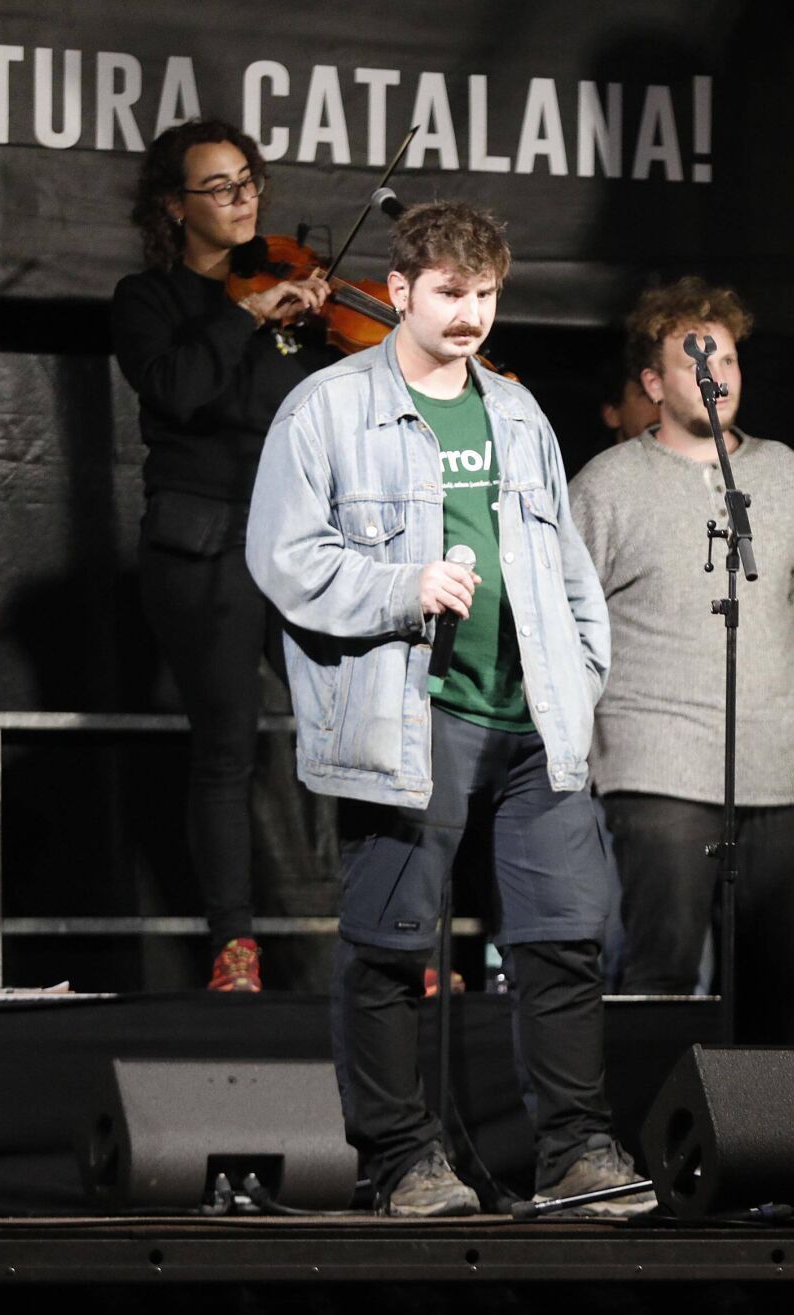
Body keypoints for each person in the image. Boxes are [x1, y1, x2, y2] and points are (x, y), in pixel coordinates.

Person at [246, 201, 641, 1218]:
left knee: (559, 941)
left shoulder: (514, 411)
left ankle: (575, 1153)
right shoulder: (329, 408)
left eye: (486, 295)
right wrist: (398, 585)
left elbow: (565, 570)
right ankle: (400, 1160)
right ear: (404, 289)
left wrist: (580, 677)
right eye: (451, 294)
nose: (469, 315)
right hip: (410, 720)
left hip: (531, 724)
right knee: (391, 945)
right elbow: (281, 557)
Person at [569, 277, 794, 1045]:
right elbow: (563, 621)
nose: (713, 372)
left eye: (722, 355)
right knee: (663, 978)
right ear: (652, 384)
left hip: (784, 769)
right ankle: (662, 1161)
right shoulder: (607, 484)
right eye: (692, 359)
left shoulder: (784, 473)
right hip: (657, 770)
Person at [111, 117, 336, 992]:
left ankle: (394, 939)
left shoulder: (295, 298)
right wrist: (245, 314)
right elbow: (178, 388)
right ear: (176, 206)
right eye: (220, 185)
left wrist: (320, 331)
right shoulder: (150, 299)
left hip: (298, 541)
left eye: (248, 180)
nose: (243, 197)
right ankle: (234, 945)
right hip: (203, 541)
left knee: (355, 729)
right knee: (227, 747)